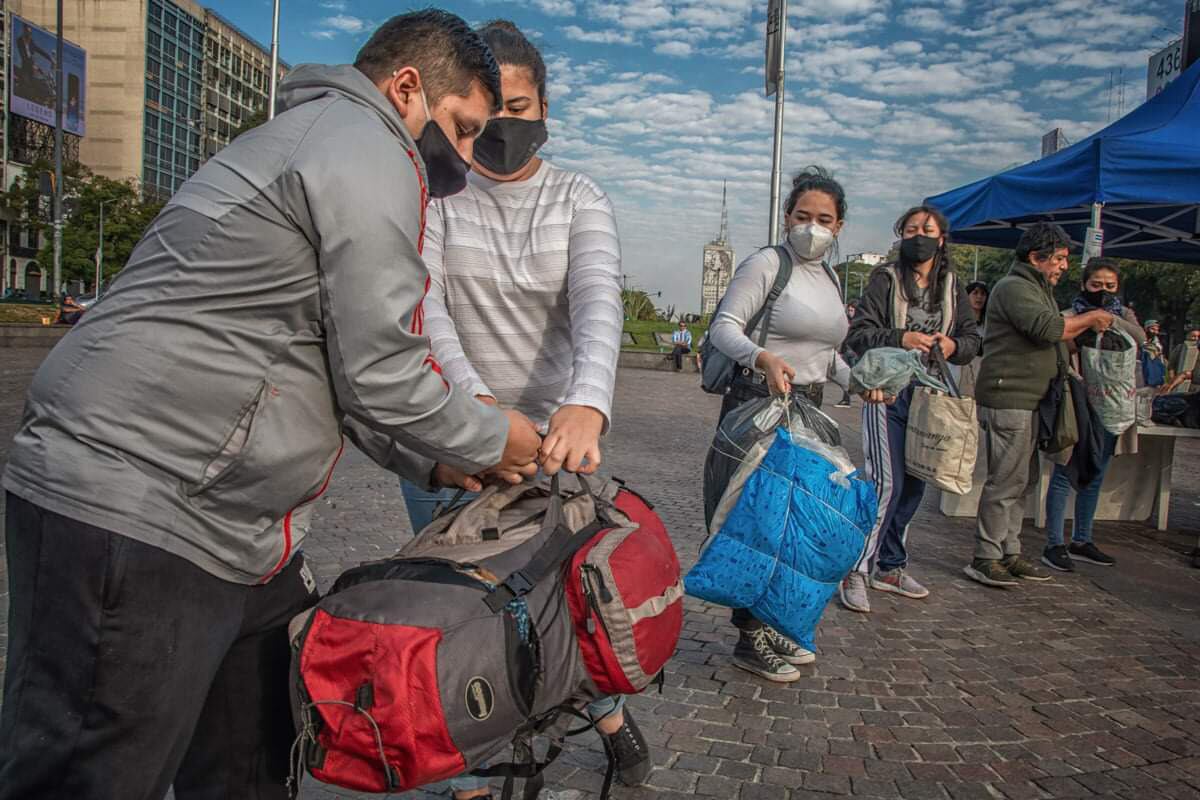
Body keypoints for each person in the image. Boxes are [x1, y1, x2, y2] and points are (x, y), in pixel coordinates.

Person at [0, 12, 545, 800]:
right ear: (406, 88)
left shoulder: (325, 143)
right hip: (139, 504)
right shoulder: (362, 147)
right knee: (91, 772)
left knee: (253, 762)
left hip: (239, 534)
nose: (466, 161)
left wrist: (435, 456)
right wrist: (497, 437)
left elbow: (327, 366)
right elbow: (382, 369)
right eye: (462, 131)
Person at [397, 22, 646, 797]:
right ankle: (473, 776)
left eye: (520, 105)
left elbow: (599, 303)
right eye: (488, 110)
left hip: (553, 446)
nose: (503, 125)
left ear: (544, 105)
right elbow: (426, 306)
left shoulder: (579, 197)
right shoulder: (435, 192)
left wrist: (586, 404)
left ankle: (607, 713)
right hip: (457, 438)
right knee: (463, 616)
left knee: (562, 605)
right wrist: (474, 415)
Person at [708, 166, 860, 681]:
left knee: (801, 529)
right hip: (760, 407)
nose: (811, 227)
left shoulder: (832, 278)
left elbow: (829, 352)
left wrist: (856, 379)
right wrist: (763, 359)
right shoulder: (768, 264)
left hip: (810, 416)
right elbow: (724, 327)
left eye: (824, 219)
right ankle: (750, 636)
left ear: (838, 227)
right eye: (802, 216)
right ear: (787, 217)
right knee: (759, 526)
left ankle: (774, 625)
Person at [839, 206, 981, 613]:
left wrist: (953, 346)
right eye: (911, 229)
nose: (919, 236)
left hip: (930, 396)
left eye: (927, 229)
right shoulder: (884, 279)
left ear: (942, 238)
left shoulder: (953, 285)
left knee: (917, 482)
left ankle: (891, 565)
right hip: (887, 393)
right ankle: (857, 569)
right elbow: (860, 335)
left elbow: (971, 338)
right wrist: (903, 337)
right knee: (887, 483)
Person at [963, 222, 1114, 588]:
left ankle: (1008, 551)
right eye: (1059, 259)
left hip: (1032, 400)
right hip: (1010, 397)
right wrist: (1090, 318)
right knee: (1006, 481)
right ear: (1036, 257)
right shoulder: (1015, 287)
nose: (1063, 266)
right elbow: (1048, 329)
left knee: (1024, 479)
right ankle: (986, 556)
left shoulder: (1037, 288)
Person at [1041, 258, 1144, 572]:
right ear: (1084, 284)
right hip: (1076, 404)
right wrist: (1087, 322)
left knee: (1096, 472)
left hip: (1110, 407)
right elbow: (1060, 343)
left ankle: (1082, 538)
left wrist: (1109, 319)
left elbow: (1139, 338)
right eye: (1095, 285)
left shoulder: (1122, 314)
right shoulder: (1069, 315)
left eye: (1109, 286)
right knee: (1064, 471)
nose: (1102, 291)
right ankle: (1054, 543)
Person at [834, 300, 859, 408]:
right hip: (847, 351)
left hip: (854, 352)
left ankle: (847, 398)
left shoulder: (859, 323)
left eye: (852, 310)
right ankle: (846, 398)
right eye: (849, 310)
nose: (850, 312)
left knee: (852, 376)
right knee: (847, 377)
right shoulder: (846, 321)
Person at [1141, 319, 1168, 388]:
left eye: (1157, 330)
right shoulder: (1140, 340)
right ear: (1146, 329)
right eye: (1152, 329)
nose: (1155, 332)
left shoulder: (1157, 343)